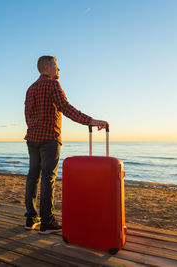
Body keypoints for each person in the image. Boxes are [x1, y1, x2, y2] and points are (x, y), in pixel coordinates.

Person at [24, 55, 108, 234]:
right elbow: (66, 108)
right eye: (56, 65)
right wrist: (90, 121)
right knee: (48, 179)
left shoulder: (30, 88)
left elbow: (27, 114)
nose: (59, 69)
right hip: (49, 139)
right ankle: (47, 222)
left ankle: (31, 218)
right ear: (46, 68)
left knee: (33, 177)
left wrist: (33, 129)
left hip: (32, 139)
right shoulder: (52, 84)